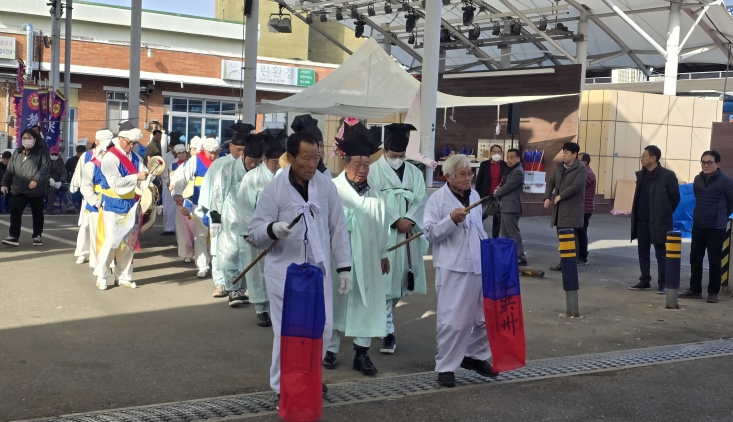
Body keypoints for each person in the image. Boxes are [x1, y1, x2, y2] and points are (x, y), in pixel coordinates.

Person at [249, 131, 352, 399]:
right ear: (291, 157)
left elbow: (338, 227)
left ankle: (309, 376)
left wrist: (344, 267)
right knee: (288, 332)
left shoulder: (326, 186)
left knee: (323, 328)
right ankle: (282, 386)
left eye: (316, 158)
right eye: (306, 158)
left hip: (318, 270)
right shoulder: (275, 188)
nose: (312, 164)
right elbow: (255, 231)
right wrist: (272, 229)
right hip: (284, 272)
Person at [423, 154, 497, 388]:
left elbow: (478, 229)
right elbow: (430, 233)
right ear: (448, 176)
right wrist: (451, 220)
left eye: (470, 173)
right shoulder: (437, 200)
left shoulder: (474, 196)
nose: (468, 178)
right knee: (453, 321)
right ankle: (446, 367)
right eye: (463, 174)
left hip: (479, 263)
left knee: (486, 317)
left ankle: (474, 355)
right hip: (453, 266)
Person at [325, 123, 389, 375]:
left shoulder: (375, 193)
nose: (362, 170)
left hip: (369, 257)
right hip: (338, 259)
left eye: (366, 165)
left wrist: (384, 253)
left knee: (365, 302)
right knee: (335, 301)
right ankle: (330, 349)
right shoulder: (332, 189)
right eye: (357, 165)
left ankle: (361, 354)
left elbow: (382, 225)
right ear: (345, 164)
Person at [368, 123, 428, 355]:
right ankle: (387, 331)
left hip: (407, 233)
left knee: (401, 284)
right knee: (385, 284)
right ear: (384, 151)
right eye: (394, 155)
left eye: (402, 156)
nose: (398, 159)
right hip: (385, 232)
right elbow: (373, 200)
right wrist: (395, 220)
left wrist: (410, 219)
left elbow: (421, 198)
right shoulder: (373, 171)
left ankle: (382, 322)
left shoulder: (414, 172)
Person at [237, 132, 286, 327]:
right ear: (264, 159)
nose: (278, 166)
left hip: (280, 233)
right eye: (274, 162)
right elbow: (245, 207)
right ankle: (261, 309)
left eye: (281, 162)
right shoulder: (252, 178)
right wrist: (250, 232)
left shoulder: (286, 177)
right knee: (259, 272)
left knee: (279, 272)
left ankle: (278, 308)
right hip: (258, 232)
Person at [94, 121, 148, 289]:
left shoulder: (136, 157)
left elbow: (144, 177)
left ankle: (123, 276)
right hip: (113, 203)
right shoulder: (110, 157)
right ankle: (102, 276)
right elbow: (115, 183)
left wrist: (150, 178)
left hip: (131, 204)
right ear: (120, 138)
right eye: (128, 142)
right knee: (112, 241)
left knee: (128, 242)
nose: (131, 146)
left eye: (134, 143)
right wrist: (137, 177)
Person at [210, 132, 260, 307]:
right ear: (243, 155)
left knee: (248, 255)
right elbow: (218, 194)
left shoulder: (259, 171)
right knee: (230, 253)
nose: (253, 165)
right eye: (250, 161)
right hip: (231, 217)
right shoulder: (227, 170)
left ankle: (242, 289)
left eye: (257, 161)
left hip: (252, 217)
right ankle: (232, 289)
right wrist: (215, 218)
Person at [680, 151, 733, 303]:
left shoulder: (726, 181)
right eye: (703, 162)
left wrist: (721, 216)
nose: (706, 165)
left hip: (716, 227)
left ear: (718, 164)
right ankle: (695, 289)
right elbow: (698, 199)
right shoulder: (698, 180)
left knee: (714, 260)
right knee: (695, 258)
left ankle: (713, 292)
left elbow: (731, 202)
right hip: (698, 225)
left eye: (709, 162)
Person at [628, 145, 679, 293]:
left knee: (660, 253)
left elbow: (675, 198)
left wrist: (664, 213)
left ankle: (663, 282)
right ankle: (645, 280)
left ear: (653, 158)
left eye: (644, 156)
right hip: (641, 220)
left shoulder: (667, 175)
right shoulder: (641, 175)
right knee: (643, 252)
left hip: (659, 221)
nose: (641, 159)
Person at [174, 136, 220, 278]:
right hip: (199, 203)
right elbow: (182, 177)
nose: (213, 156)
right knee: (200, 235)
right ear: (204, 150)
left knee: (217, 235)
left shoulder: (223, 160)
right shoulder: (195, 160)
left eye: (216, 152)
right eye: (210, 153)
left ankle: (216, 263)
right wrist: (178, 193)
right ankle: (202, 265)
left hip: (219, 203)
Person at [1, 129, 50, 246]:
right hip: (18, 188)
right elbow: (10, 170)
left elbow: (45, 168)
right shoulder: (17, 153)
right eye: (24, 138)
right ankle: (13, 236)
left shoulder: (42, 152)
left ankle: (37, 235)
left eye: (29, 138)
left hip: (36, 190)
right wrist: (4, 183)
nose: (27, 140)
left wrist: (36, 179)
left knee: (37, 213)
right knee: (15, 211)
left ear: (35, 140)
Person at [70, 129, 112, 264]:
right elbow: (79, 173)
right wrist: (76, 186)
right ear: (97, 141)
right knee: (86, 225)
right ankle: (83, 252)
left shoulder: (113, 155)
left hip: (108, 196)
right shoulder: (87, 156)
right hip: (90, 195)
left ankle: (103, 255)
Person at [544, 142, 587, 271]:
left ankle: (571, 264)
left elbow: (577, 185)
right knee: (562, 237)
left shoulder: (581, 168)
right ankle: (563, 263)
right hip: (560, 209)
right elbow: (550, 182)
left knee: (571, 237)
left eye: (567, 153)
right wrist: (547, 197)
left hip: (572, 208)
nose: (564, 155)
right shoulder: (560, 167)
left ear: (574, 154)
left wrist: (561, 195)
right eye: (563, 152)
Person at [494, 148, 527, 266]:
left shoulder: (518, 171)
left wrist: (497, 192)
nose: (509, 160)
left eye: (512, 157)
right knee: (505, 234)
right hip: (505, 206)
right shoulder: (510, 170)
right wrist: (498, 189)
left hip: (511, 206)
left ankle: (520, 257)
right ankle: (507, 255)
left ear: (518, 158)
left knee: (513, 233)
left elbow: (508, 186)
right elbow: (503, 184)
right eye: (507, 157)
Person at [79, 140, 108, 274]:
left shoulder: (114, 165)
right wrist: (96, 201)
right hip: (96, 204)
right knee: (96, 234)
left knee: (110, 236)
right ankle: (96, 263)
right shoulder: (91, 165)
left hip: (112, 203)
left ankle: (109, 262)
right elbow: (85, 186)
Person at [170, 143, 196, 266]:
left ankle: (202, 255)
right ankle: (187, 253)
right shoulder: (181, 166)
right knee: (184, 231)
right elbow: (175, 181)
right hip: (186, 201)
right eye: (194, 149)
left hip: (200, 201)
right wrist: (174, 189)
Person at [476, 144, 507, 238]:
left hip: (498, 195)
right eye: (494, 151)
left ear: (501, 154)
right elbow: (479, 180)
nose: (496, 153)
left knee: (497, 217)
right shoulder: (484, 164)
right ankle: (477, 235)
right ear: (490, 153)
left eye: (499, 152)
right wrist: (477, 194)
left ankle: (495, 238)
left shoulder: (504, 165)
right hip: (486, 194)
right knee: (481, 215)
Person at [160, 132, 182, 236]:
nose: (173, 149)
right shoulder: (165, 156)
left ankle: (178, 228)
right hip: (168, 185)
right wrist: (167, 181)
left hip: (179, 185)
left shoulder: (181, 156)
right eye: (172, 147)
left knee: (177, 208)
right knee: (168, 207)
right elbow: (163, 171)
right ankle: (168, 228)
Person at [576, 153, 596, 266]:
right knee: (579, 232)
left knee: (581, 232)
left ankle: (583, 257)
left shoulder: (587, 173)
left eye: (578, 160)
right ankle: (579, 255)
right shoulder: (584, 172)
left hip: (585, 208)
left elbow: (578, 186)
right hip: (582, 207)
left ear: (584, 162)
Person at [45, 147, 69, 215]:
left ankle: (71, 207)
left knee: (66, 188)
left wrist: (61, 181)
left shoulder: (61, 162)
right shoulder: (45, 161)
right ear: (50, 153)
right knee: (51, 189)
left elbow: (64, 173)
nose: (54, 156)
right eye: (52, 154)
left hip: (57, 182)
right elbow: (43, 172)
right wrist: (49, 178)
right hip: (46, 182)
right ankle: (50, 209)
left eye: (55, 154)